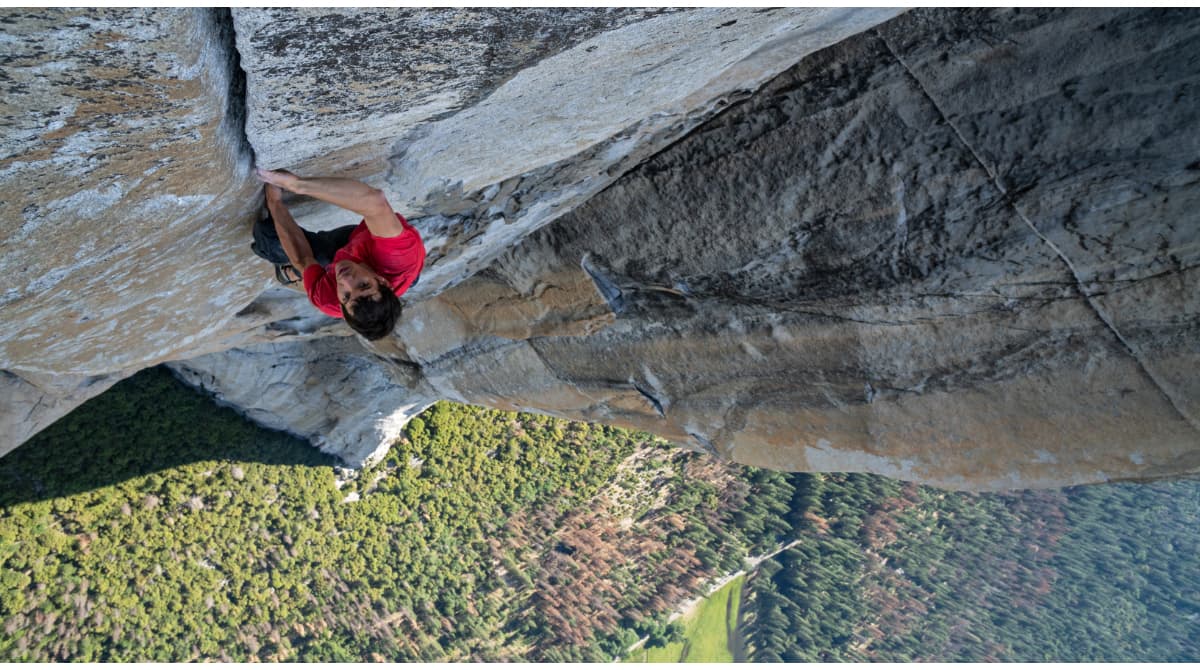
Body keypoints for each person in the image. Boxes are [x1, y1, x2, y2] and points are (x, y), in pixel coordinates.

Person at [250, 168, 425, 341]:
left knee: (269, 238)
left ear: (341, 306)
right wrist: (296, 184)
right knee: (407, 272)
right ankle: (408, 280)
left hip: (352, 257)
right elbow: (375, 203)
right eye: (363, 285)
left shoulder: (329, 300)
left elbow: (303, 259)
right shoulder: (397, 258)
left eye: (346, 296)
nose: (346, 280)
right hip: (363, 246)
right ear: (381, 281)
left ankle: (293, 275)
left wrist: (274, 202)